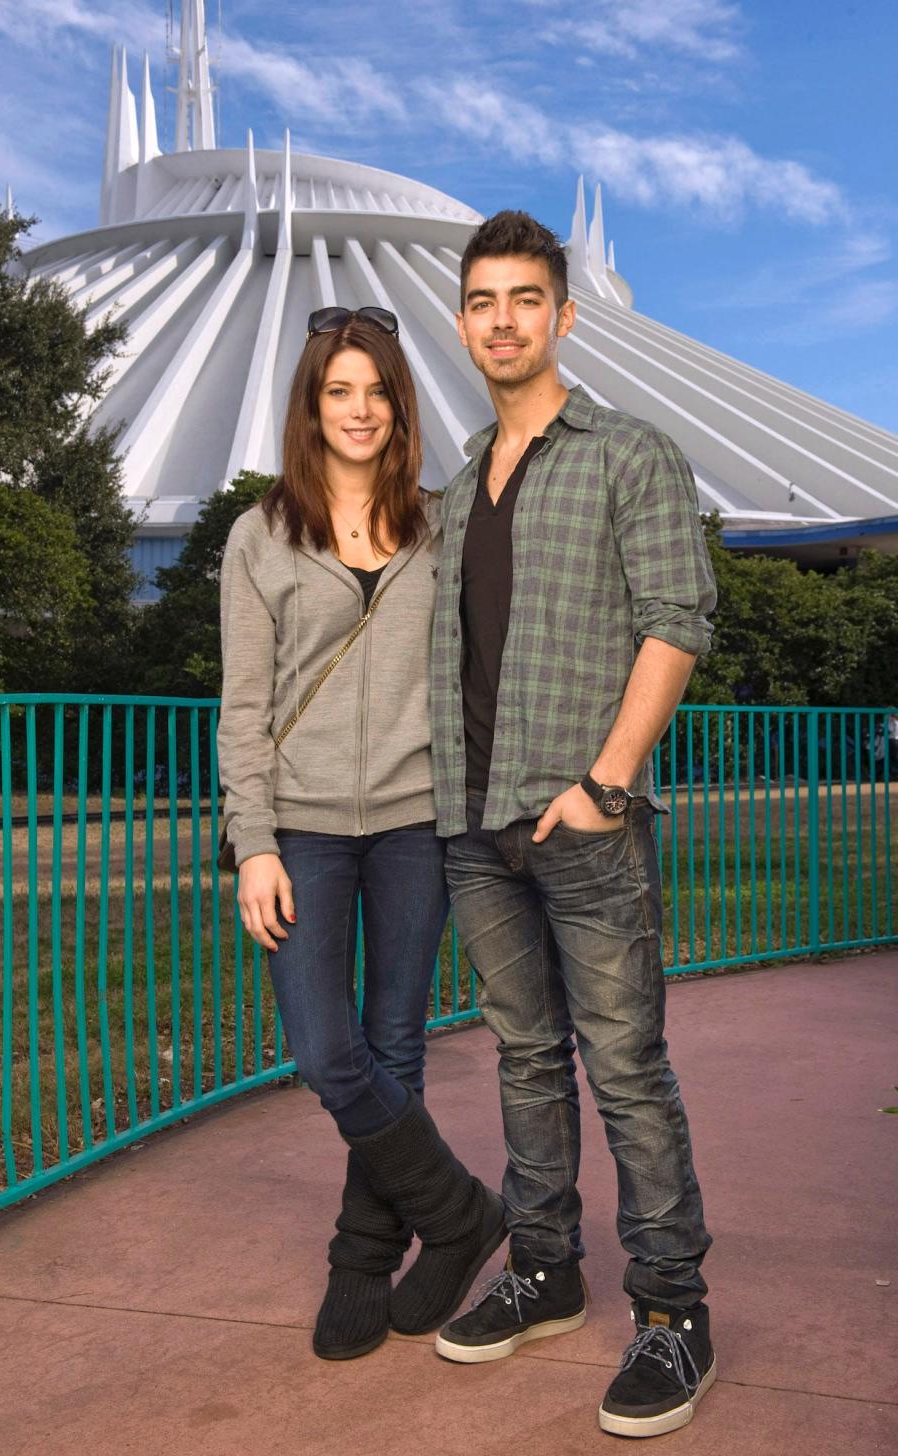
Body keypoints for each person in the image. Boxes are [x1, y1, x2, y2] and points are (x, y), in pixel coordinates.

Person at [429, 212, 718, 1439]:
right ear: (464, 321)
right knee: (524, 1055)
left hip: (582, 818)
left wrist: (603, 783)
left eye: (524, 299)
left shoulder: (627, 452)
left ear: (564, 315)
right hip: (473, 817)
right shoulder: (456, 486)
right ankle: (545, 1269)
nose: (503, 320)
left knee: (625, 1065)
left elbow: (679, 619)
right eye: (483, 300)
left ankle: (674, 1311)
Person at [217, 306, 505, 1364]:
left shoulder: (439, 527)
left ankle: (361, 1256)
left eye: (376, 391)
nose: (359, 409)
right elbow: (241, 705)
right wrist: (252, 841)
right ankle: (464, 1213)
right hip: (299, 827)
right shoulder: (262, 534)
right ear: (310, 403)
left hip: (413, 822)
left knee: (393, 1043)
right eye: (339, 390)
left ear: (399, 406)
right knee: (325, 1048)